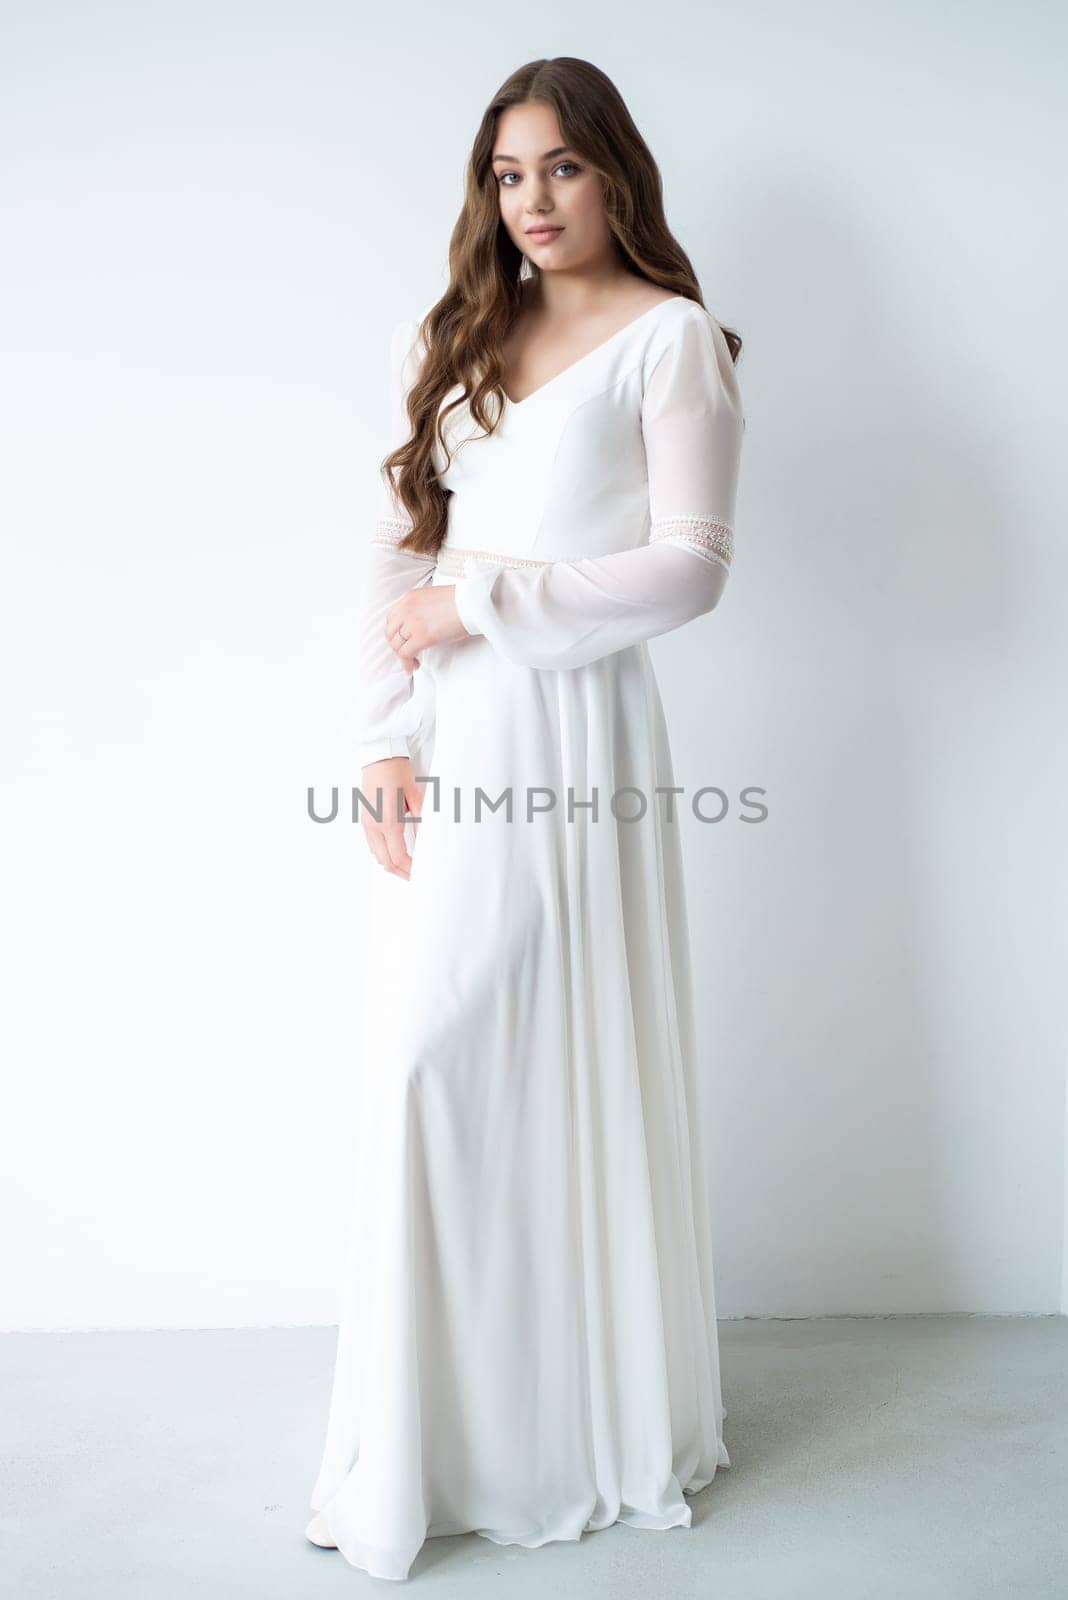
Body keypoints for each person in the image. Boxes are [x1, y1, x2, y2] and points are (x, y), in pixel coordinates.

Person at [305, 54, 746, 1583]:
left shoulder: (671, 341)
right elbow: (395, 545)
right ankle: (446, 1443)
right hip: (458, 738)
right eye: (507, 173)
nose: (532, 201)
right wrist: (379, 741)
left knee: (526, 1059)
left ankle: (566, 1434)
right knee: (434, 1068)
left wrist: (483, 600)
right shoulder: (470, 334)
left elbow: (692, 563)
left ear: (615, 171)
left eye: (560, 167)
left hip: (575, 731)